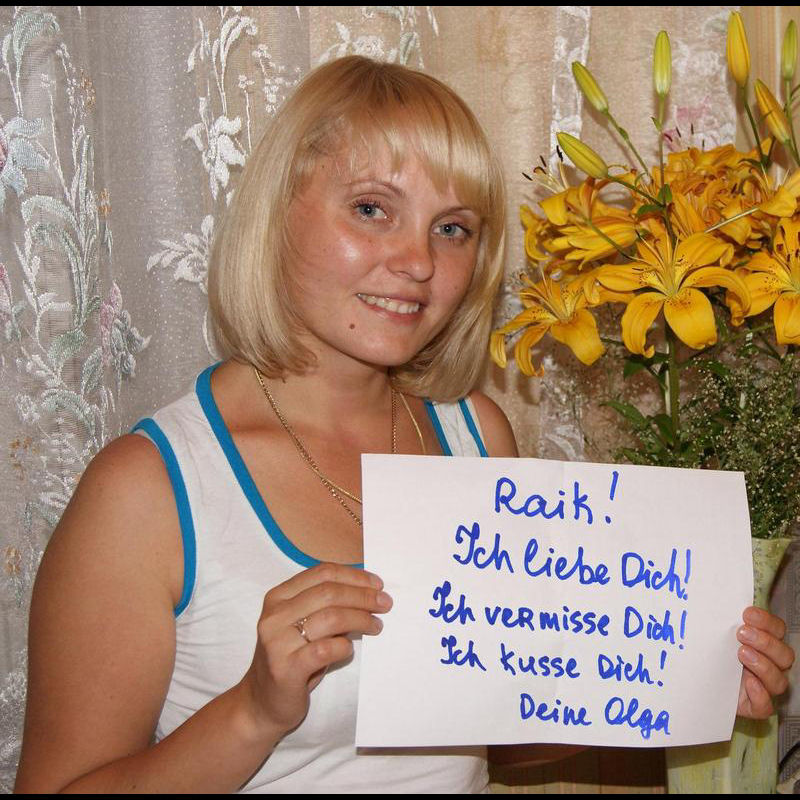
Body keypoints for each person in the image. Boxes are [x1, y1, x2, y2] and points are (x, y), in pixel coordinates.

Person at [14, 56, 794, 793]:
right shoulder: (150, 488)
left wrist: (675, 685)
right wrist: (252, 713)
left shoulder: (475, 437)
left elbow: (494, 725)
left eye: (452, 228)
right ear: (277, 213)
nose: (419, 262)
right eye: (372, 210)